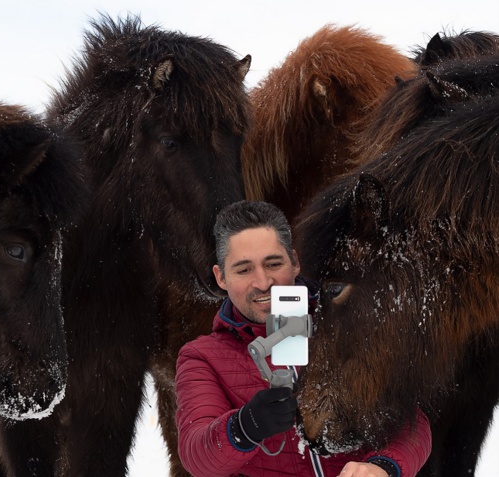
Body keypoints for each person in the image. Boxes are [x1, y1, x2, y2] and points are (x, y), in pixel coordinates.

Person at [175, 200, 431, 477]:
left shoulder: (348, 322)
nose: (262, 282)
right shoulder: (202, 356)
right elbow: (197, 455)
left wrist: (383, 466)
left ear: (295, 262)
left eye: (273, 263)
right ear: (221, 277)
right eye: (244, 269)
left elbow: (411, 424)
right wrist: (244, 427)